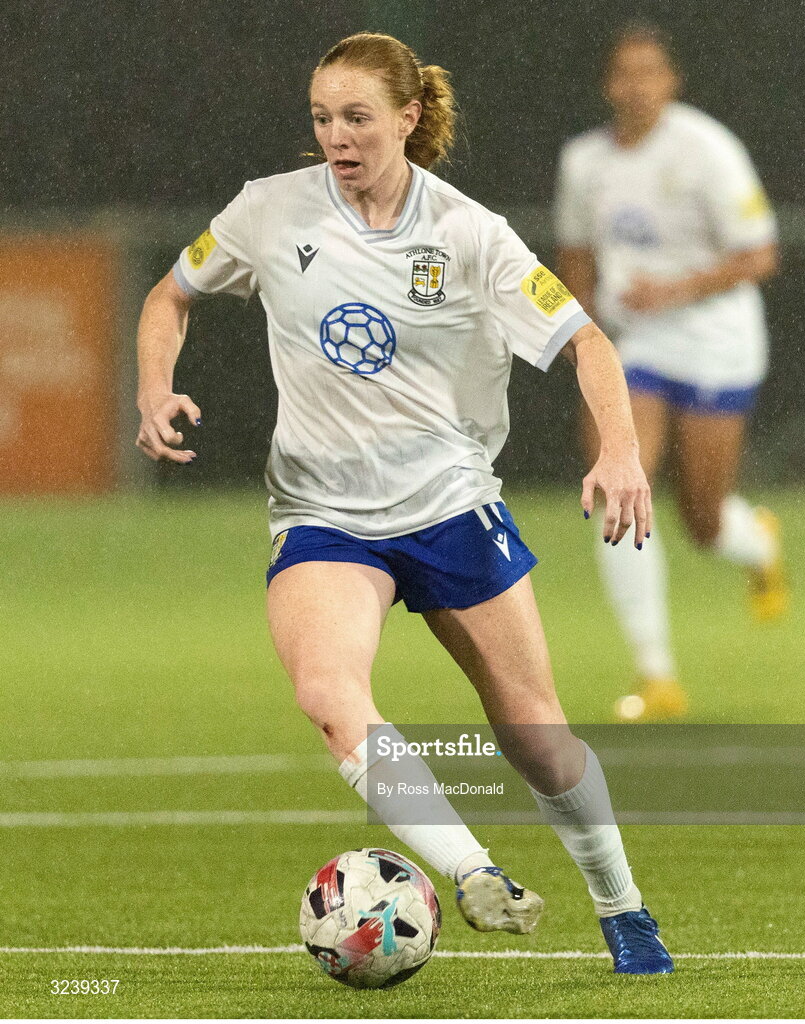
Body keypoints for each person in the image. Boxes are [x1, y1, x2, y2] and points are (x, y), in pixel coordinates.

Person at [136, 32, 672, 974]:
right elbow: (168, 296)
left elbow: (588, 342)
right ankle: (470, 872)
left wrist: (620, 450)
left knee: (538, 742)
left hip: (449, 504)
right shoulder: (270, 210)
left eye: (356, 118)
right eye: (320, 118)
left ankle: (622, 907)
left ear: (408, 119)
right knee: (327, 694)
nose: (335, 137)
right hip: (322, 517)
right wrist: (153, 387)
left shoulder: (469, 233)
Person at [555, 22, 786, 723]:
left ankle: (756, 541)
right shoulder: (584, 161)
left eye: (649, 71)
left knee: (702, 520)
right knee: (616, 478)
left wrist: (675, 290)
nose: (636, 85)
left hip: (717, 342)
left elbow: (759, 255)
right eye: (624, 72)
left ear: (670, 80)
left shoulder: (706, 149)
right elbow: (575, 257)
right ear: (607, 84)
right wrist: (580, 336)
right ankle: (655, 675)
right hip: (639, 345)